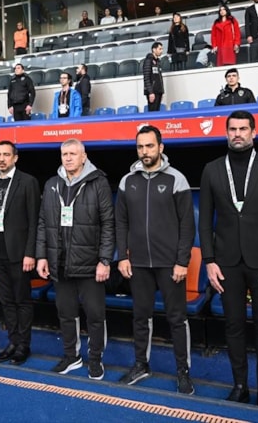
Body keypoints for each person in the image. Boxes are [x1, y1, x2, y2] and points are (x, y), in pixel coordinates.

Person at [199, 110, 258, 408]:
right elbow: (205, 221)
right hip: (226, 263)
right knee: (234, 326)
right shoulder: (212, 169)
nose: (237, 134)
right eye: (232, 129)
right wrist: (209, 260)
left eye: (243, 129)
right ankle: (239, 385)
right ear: (226, 133)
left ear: (254, 132)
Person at [115, 126, 196, 394]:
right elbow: (121, 222)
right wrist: (122, 256)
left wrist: (182, 261)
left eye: (149, 146)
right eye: (140, 147)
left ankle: (183, 371)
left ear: (161, 147)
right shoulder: (127, 181)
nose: (145, 151)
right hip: (138, 264)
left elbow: (187, 225)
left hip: (170, 264)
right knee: (140, 316)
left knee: (177, 318)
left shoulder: (177, 179)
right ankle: (141, 365)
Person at [36, 139, 113, 380]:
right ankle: (72, 356)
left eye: (72, 153)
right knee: (66, 314)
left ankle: (96, 359)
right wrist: (41, 256)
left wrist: (105, 260)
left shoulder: (98, 183)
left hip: (90, 264)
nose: (68, 158)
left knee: (95, 316)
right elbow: (43, 223)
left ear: (83, 156)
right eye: (64, 154)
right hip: (60, 262)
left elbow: (108, 224)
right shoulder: (52, 184)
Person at [0, 141, 40, 365]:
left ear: (15, 158)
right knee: (6, 300)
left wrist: (30, 253)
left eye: (6, 155)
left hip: (19, 253)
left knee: (22, 300)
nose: (2, 159)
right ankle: (13, 341)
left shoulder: (28, 182)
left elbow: (34, 221)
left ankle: (24, 345)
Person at [142, 42, 165, 112]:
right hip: (152, 92)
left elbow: (159, 78)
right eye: (160, 49)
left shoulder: (158, 61)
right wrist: (150, 92)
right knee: (152, 112)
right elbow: (146, 78)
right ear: (154, 50)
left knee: (157, 112)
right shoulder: (148, 61)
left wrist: (161, 91)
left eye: (162, 49)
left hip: (158, 91)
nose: (161, 51)